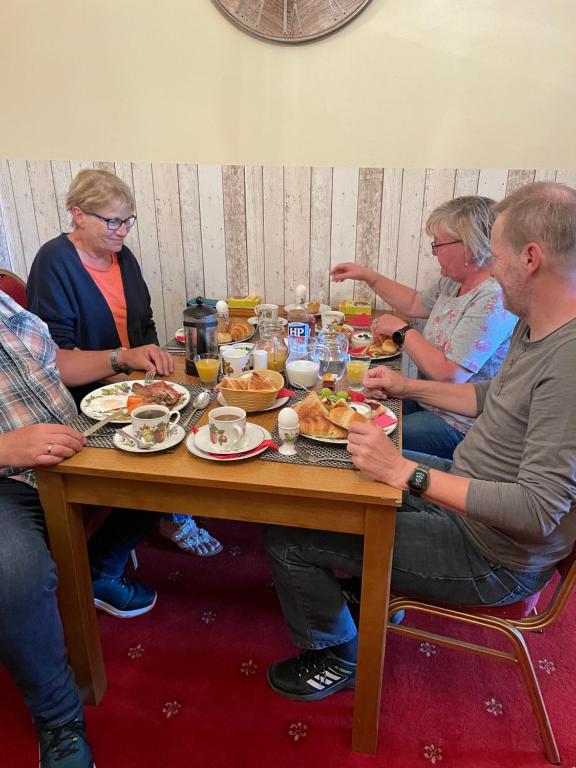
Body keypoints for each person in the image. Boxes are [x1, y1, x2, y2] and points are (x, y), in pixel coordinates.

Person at [264, 182, 576, 703]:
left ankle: (337, 656)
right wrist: (407, 388)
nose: (492, 269)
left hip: (493, 554)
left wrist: (406, 473)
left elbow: (538, 510)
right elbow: (488, 396)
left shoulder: (568, 363)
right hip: (467, 495)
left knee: (287, 536)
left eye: (497, 257)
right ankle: (359, 591)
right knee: (334, 466)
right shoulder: (536, 327)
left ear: (530, 258)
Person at [0, 288, 178, 766]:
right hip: (9, 478)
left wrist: (120, 357)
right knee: (13, 570)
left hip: (73, 444)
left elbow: (50, 363)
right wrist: (5, 448)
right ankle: (59, 720)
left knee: (167, 465)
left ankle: (99, 570)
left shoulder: (4, 300)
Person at [26, 169, 222, 557]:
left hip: (130, 384)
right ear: (78, 215)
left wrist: (153, 362)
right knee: (167, 444)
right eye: (112, 221)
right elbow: (54, 364)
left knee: (204, 404)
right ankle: (107, 561)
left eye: (128, 221)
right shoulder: (54, 262)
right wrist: (121, 361)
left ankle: (171, 511)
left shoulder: (121, 257)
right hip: (83, 399)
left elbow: (143, 324)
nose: (122, 231)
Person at [331, 196, 517, 458]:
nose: (434, 252)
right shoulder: (454, 282)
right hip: (427, 401)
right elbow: (413, 302)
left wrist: (402, 332)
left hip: (458, 423)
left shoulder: (492, 297)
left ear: (468, 246)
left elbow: (449, 374)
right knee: (349, 405)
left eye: (438, 244)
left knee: (357, 439)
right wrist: (368, 276)